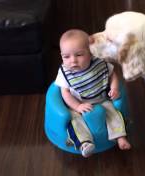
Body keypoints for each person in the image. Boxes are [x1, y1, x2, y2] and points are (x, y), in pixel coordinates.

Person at [55, 29, 131, 157]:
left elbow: (113, 75)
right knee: (75, 121)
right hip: (78, 104)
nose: (73, 60)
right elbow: (65, 93)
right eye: (66, 56)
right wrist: (77, 106)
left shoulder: (99, 63)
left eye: (79, 55)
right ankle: (84, 143)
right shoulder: (65, 73)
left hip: (101, 99)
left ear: (90, 53)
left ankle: (120, 137)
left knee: (114, 114)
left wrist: (114, 88)